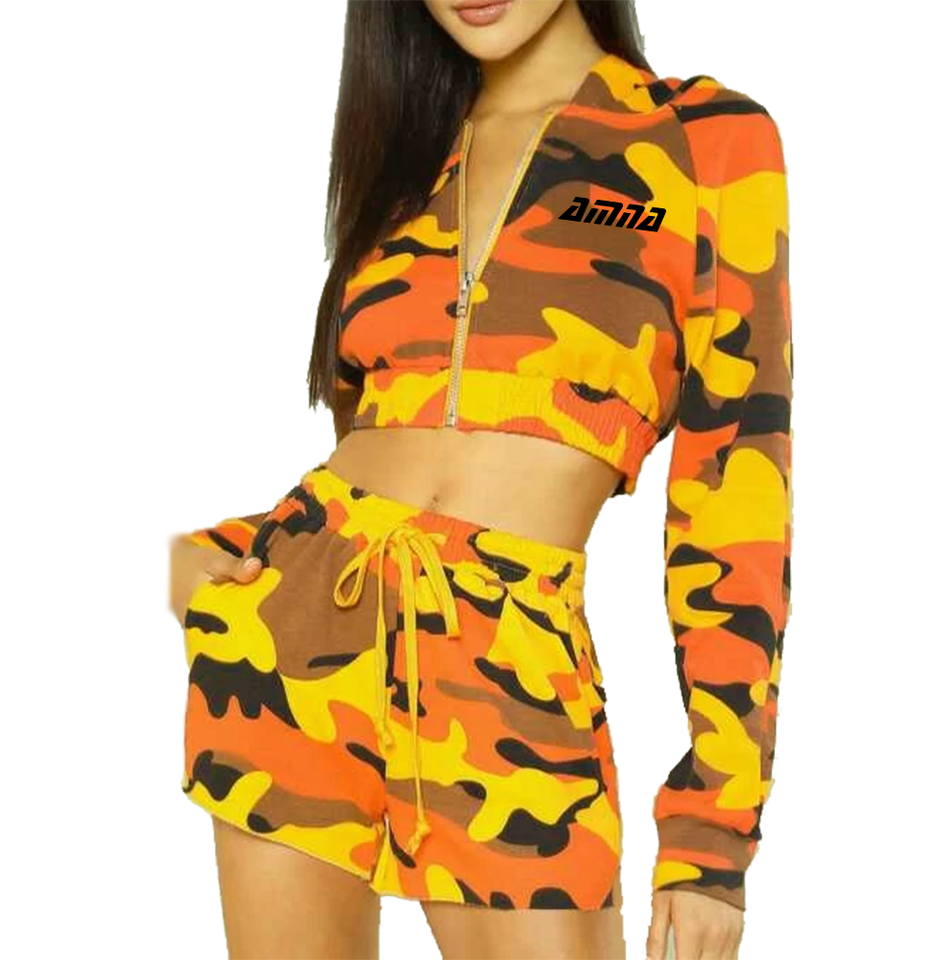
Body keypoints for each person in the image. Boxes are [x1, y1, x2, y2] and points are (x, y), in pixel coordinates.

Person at [168, 1, 792, 957]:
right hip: (290, 657)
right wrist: (195, 557)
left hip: (511, 662)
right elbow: (383, 445)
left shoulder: (703, 139)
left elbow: (737, 489)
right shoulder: (409, 153)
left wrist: (715, 828)